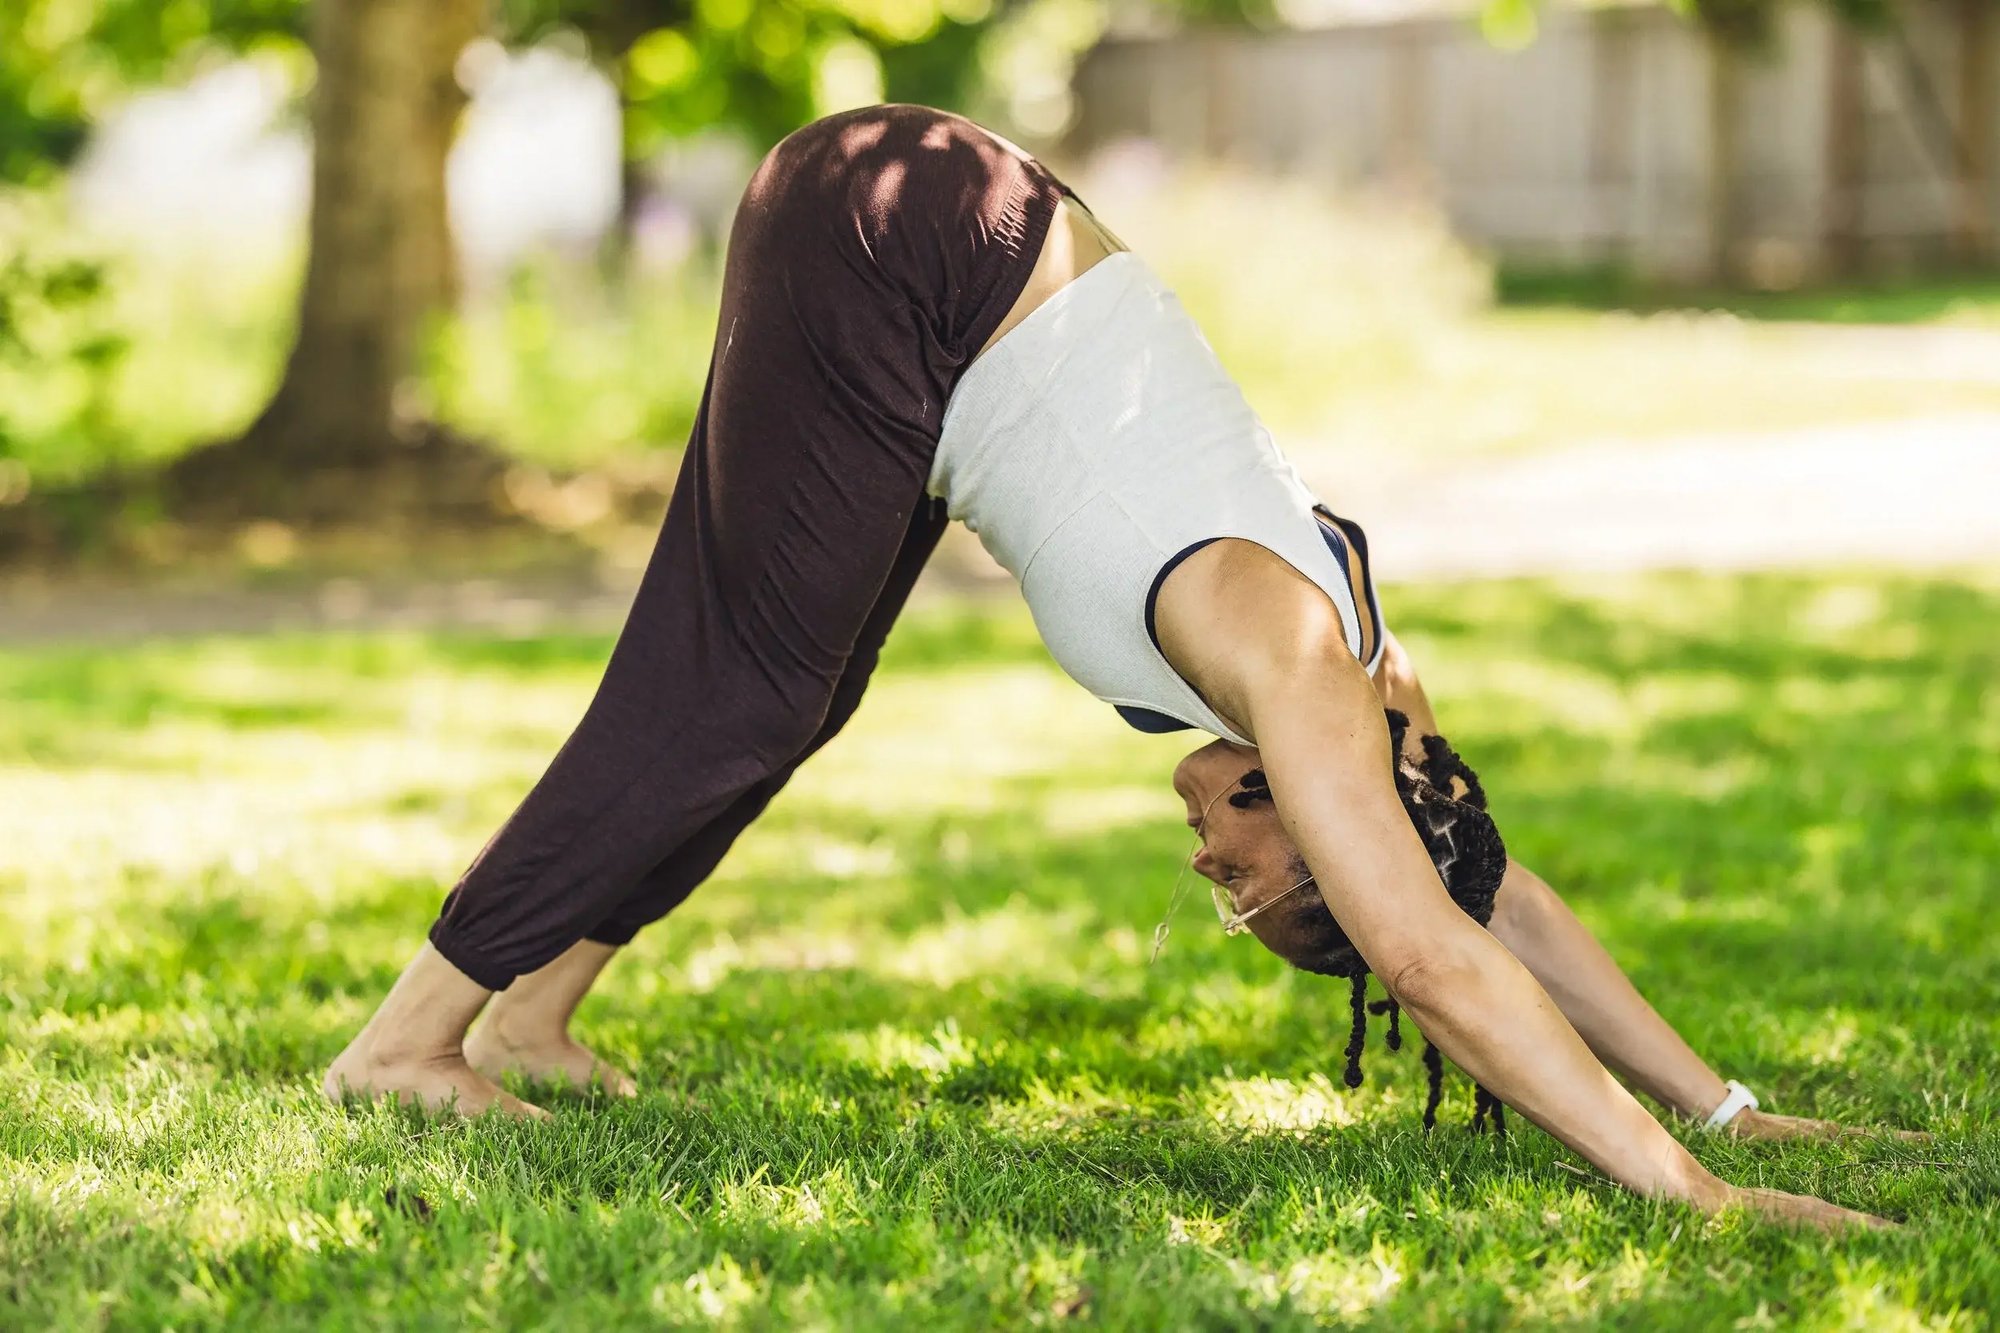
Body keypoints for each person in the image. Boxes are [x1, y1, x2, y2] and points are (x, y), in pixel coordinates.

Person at [326, 103, 1914, 1229]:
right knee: (737, 682)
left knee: (789, 693)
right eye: (1252, 882)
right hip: (911, 244)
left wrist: (1724, 1102)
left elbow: (1491, 888)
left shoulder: (1380, 682)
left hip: (936, 263)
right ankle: (406, 1044)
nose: (1208, 861)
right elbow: (1431, 952)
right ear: (1323, 825)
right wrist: (1692, 1191)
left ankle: (532, 1011)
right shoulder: (1302, 669)